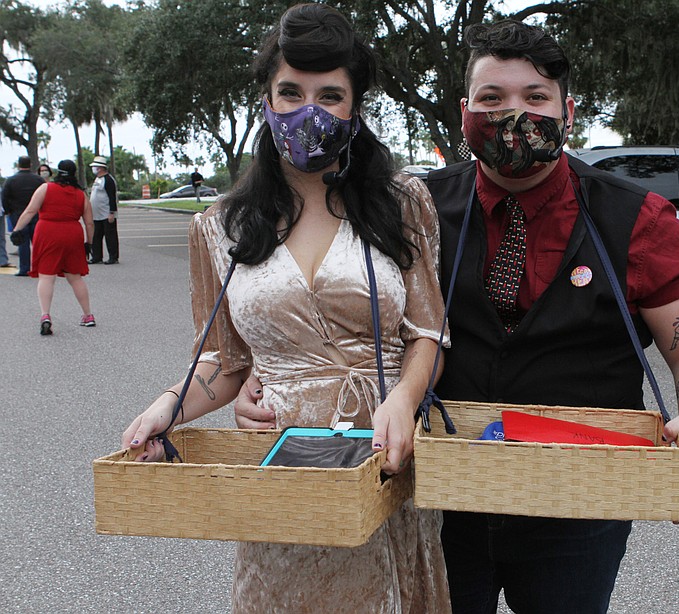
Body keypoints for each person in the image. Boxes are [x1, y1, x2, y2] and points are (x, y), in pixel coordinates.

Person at [234, 18, 679, 614]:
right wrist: (266, 377)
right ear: (465, 108)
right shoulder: (410, 209)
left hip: (578, 503)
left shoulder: (638, 219)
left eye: (535, 98)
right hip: (440, 495)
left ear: (568, 111)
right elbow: (339, 310)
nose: (512, 116)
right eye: (492, 99)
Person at [120, 4, 451, 612]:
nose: (309, 111)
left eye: (330, 95)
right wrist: (169, 407)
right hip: (281, 461)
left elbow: (426, 332)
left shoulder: (402, 201)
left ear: (355, 107)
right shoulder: (221, 225)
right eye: (290, 92)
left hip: (381, 449)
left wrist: (402, 400)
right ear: (267, 101)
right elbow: (224, 362)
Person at [10, 159, 95, 334]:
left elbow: (30, 211)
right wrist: (89, 243)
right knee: (75, 277)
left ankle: (45, 315)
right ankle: (88, 315)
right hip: (72, 233)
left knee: (46, 276)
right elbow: (89, 223)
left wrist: (17, 229)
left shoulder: (45, 188)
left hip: (48, 231)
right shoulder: (81, 195)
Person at [2, 155, 45, 276]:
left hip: (18, 213)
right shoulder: (38, 180)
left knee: (22, 241)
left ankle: (24, 268)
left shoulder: (11, 180)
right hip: (36, 213)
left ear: (18, 165)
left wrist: (8, 211)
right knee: (36, 242)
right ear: (30, 165)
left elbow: (5, 197)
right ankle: (39, 267)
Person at [88, 155, 119, 264]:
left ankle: (113, 257)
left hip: (106, 213)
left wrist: (112, 213)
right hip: (96, 214)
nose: (93, 169)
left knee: (110, 236)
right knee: (96, 236)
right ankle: (96, 257)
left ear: (100, 168)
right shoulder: (98, 179)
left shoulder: (109, 180)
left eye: (95, 166)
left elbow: (112, 197)